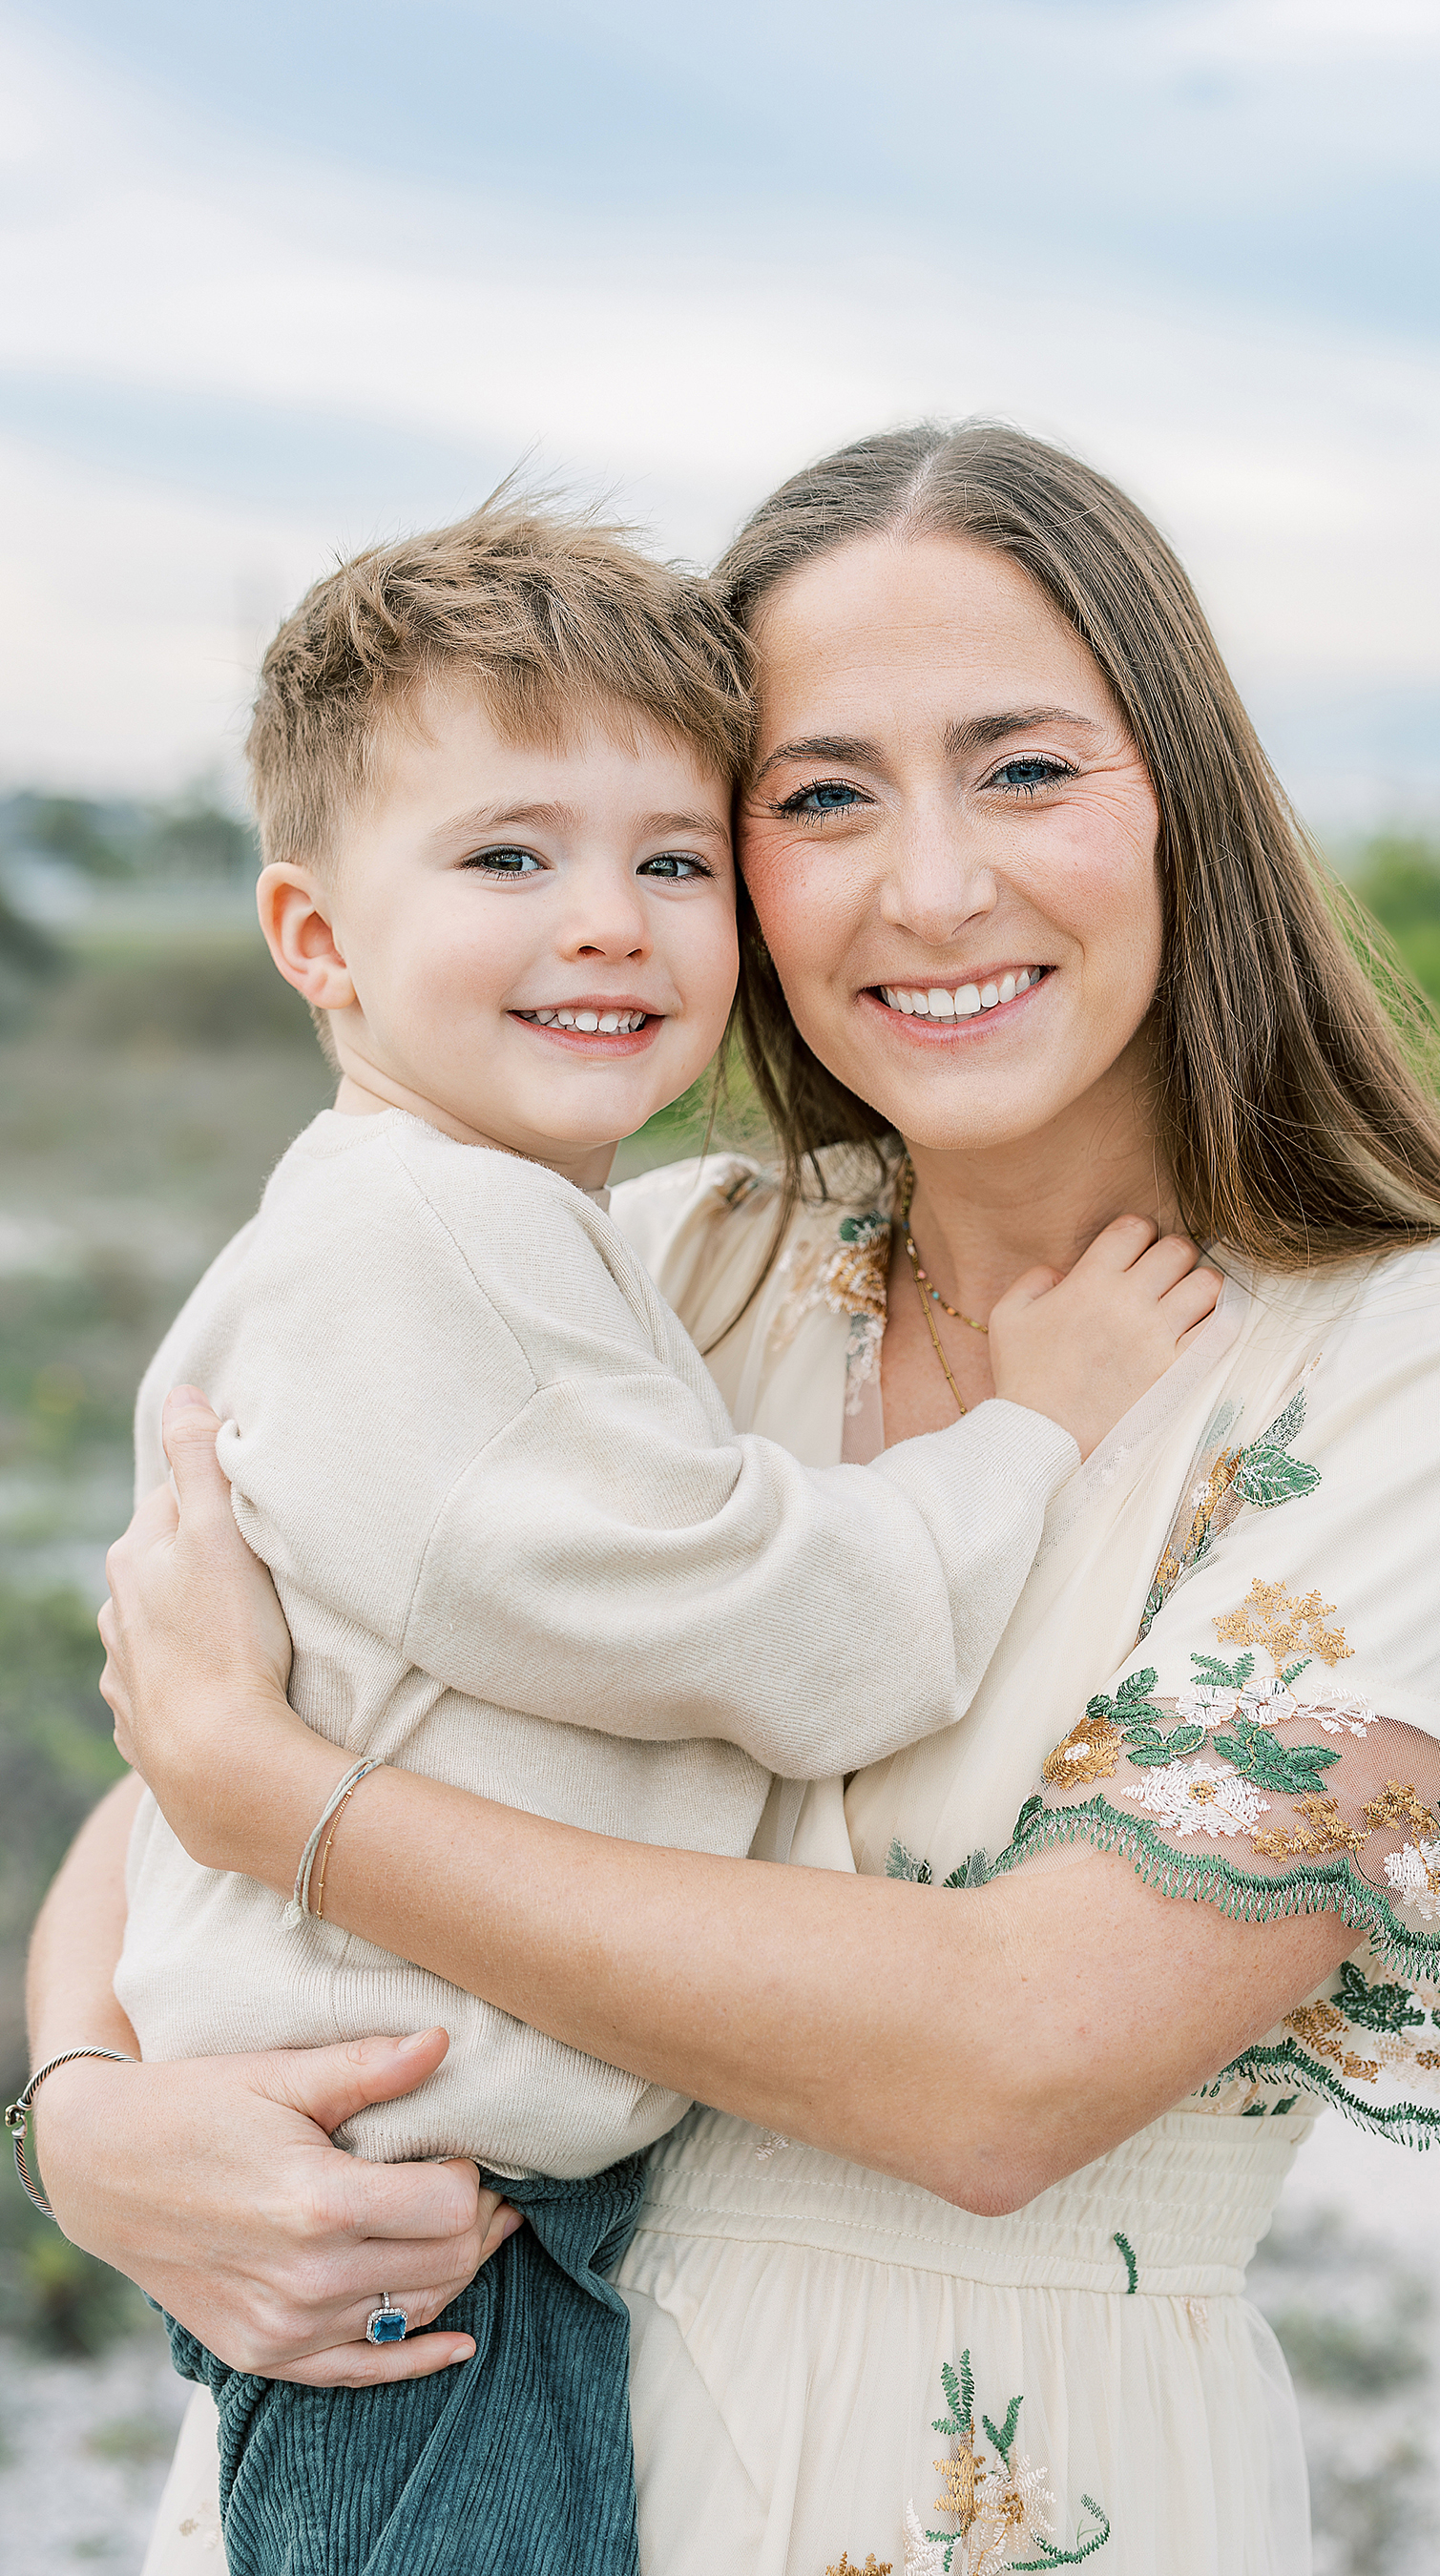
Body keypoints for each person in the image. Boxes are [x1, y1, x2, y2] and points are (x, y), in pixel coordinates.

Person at [31, 425, 1440, 2576]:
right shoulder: (656, 1264)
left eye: (1024, 770)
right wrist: (93, 2121)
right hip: (425, 2412)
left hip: (994, 2491)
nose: (927, 887)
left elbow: (1007, 2067)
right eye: (822, 797)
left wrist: (286, 1809)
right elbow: (181, 1771)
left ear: (1185, 811)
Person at [92, 502, 1219, 2576]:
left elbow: (244, 1749)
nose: (607, 919)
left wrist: (254, 1809)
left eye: (670, 859)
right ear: (315, 935)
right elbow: (790, 1634)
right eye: (511, 855)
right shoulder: (450, 1255)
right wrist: (1033, 1434)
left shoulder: (526, 1231)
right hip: (407, 2220)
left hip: (436, 2201)